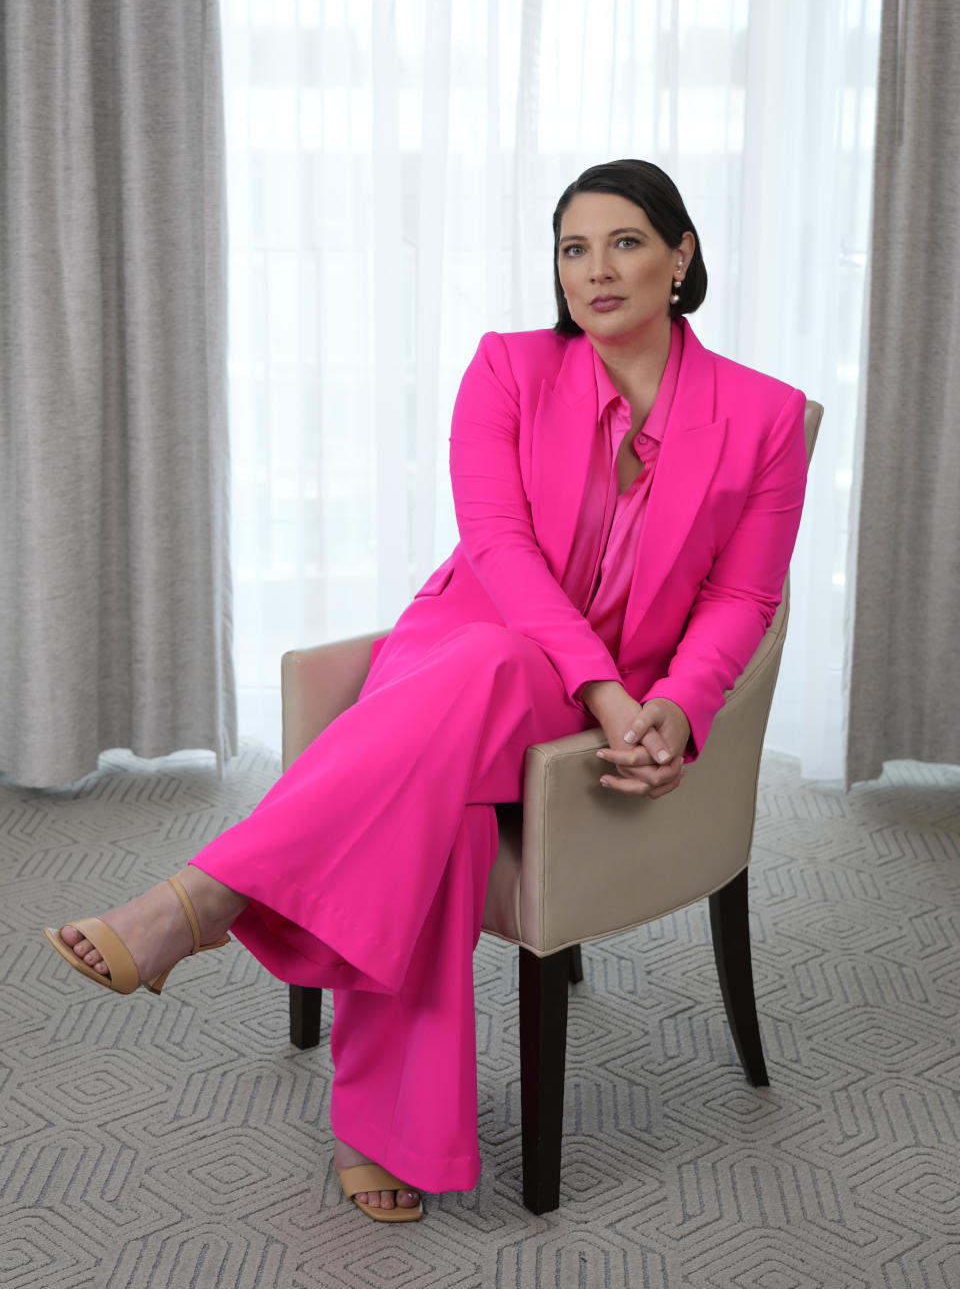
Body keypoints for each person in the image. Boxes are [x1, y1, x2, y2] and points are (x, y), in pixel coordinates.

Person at [43, 159, 808, 1223]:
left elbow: (742, 596)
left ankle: (212, 901)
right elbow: (498, 549)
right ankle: (353, 1083)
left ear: (681, 256)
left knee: (443, 763)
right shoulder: (505, 370)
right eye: (572, 248)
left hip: (627, 691)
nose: (595, 270)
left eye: (625, 242)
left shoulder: (763, 418)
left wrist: (675, 708)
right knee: (464, 743)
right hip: (474, 644)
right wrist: (597, 689)